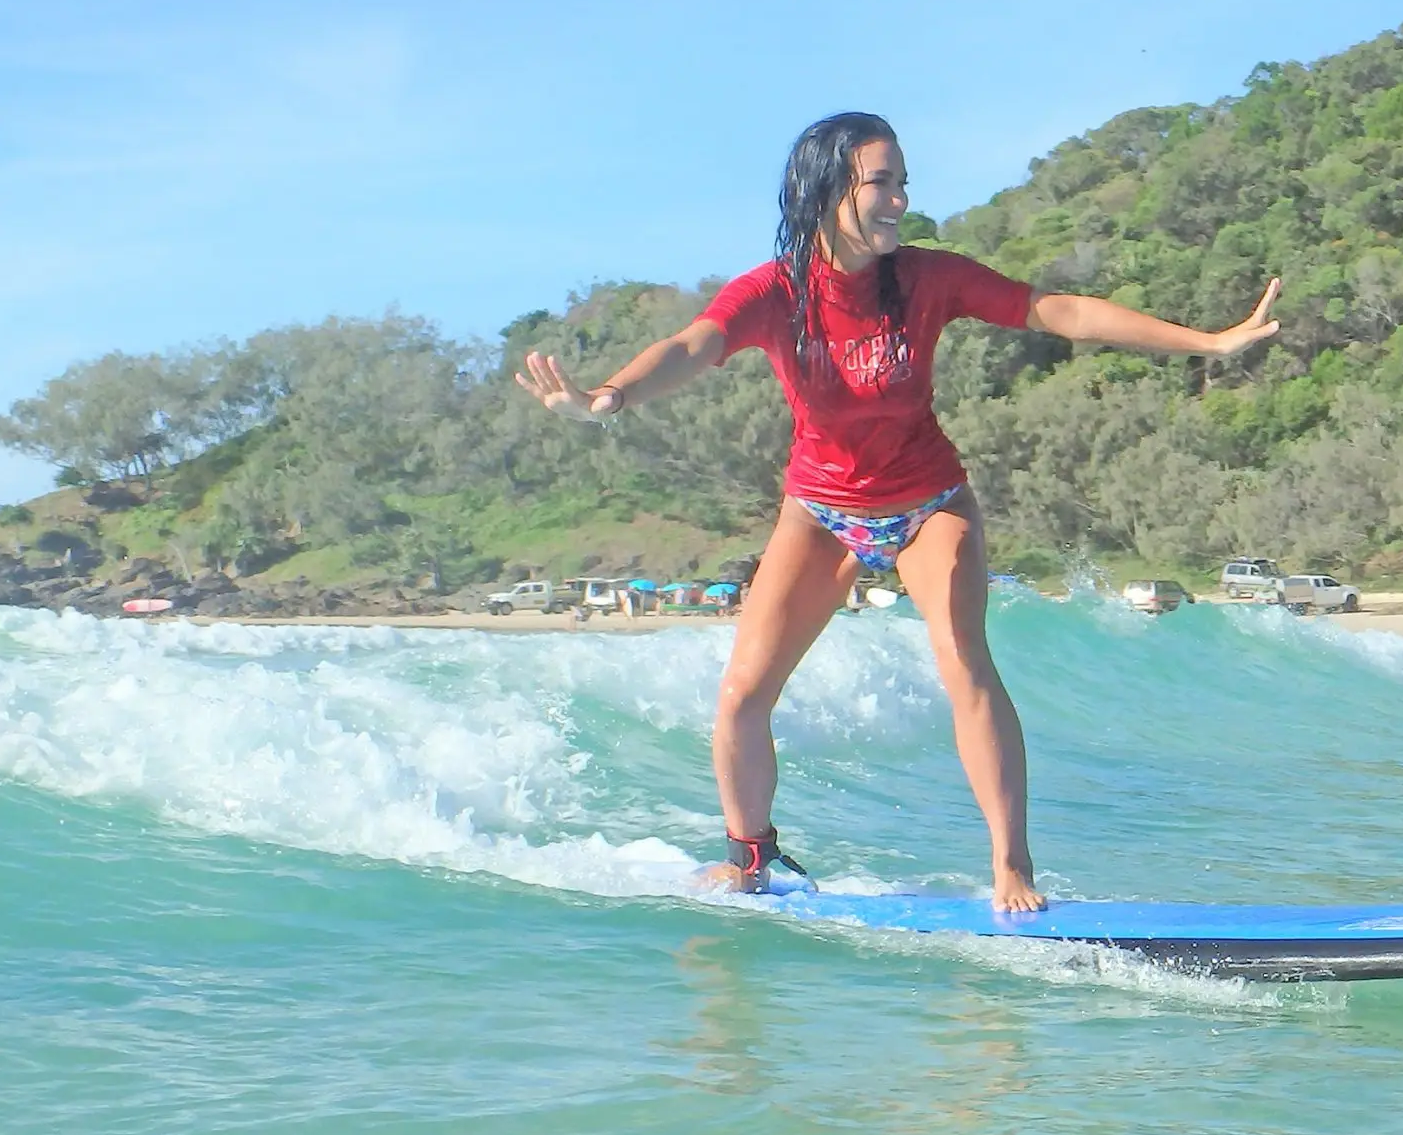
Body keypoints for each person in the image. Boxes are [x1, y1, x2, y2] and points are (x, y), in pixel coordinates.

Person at [518, 111, 1280, 911]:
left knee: (962, 661)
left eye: (902, 182)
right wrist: (608, 398)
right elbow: (692, 346)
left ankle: (1012, 867)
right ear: (826, 190)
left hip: (927, 504)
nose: (899, 200)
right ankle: (749, 858)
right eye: (882, 182)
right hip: (820, 510)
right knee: (743, 693)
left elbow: (1063, 311)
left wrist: (1210, 342)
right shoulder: (777, 293)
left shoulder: (925, 278)